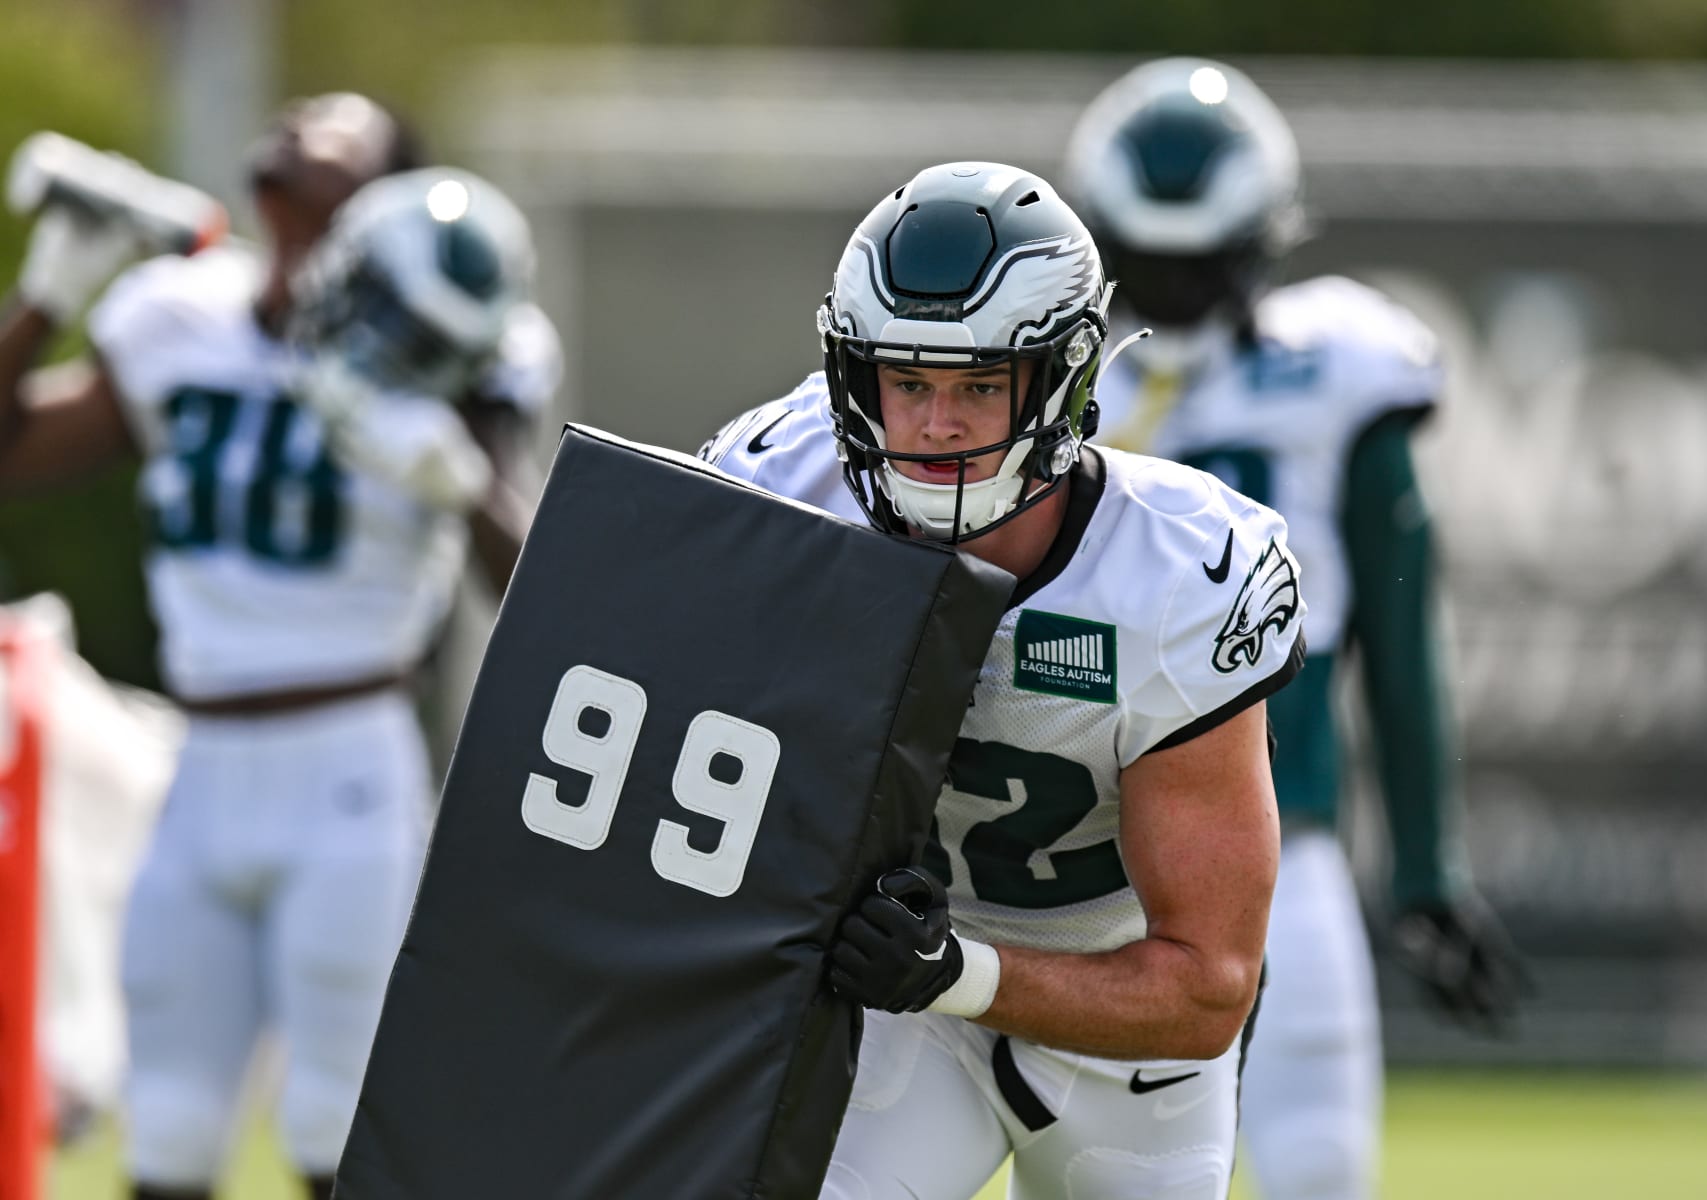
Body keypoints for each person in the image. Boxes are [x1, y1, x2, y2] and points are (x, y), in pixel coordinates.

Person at [701, 160, 1303, 1199]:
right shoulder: (782, 486)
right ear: (854, 376)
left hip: (1126, 1031)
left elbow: (1208, 984)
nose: (937, 426)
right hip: (897, 1003)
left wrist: (955, 971)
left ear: (1064, 382)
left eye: (980, 386)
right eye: (910, 382)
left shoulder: (1172, 579)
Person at [0, 93, 561, 1200]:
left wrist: (458, 471)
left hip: (347, 760)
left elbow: (538, 592)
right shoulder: (178, 315)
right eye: (297, 123)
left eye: (339, 139)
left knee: (336, 1128)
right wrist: (46, 292)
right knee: (167, 1128)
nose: (303, 135)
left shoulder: (450, 336)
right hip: (198, 762)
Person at [1063, 58, 1529, 1200]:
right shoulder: (1055, 390)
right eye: (1154, 263)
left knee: (1313, 1172)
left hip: (1275, 839)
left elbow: (1404, 635)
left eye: (1195, 262)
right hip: (1080, 860)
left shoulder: (1340, 369)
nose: (1172, 291)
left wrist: (1427, 863)